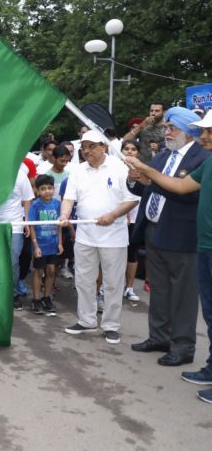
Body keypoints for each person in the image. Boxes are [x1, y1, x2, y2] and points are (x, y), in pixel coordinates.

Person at [126, 110, 212, 404]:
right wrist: (136, 178)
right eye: (166, 127)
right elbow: (150, 186)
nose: (167, 132)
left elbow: (185, 192)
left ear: (187, 131)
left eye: (173, 127)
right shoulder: (163, 156)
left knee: (184, 294)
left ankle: (183, 347)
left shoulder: (201, 157)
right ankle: (159, 337)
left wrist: (150, 175)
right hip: (156, 230)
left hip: (185, 236)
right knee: (160, 289)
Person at [60, 130, 139, 345]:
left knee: (113, 283)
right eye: (84, 147)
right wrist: (64, 215)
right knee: (84, 280)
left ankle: (111, 326)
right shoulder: (78, 170)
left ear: (103, 147)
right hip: (85, 235)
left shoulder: (119, 167)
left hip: (114, 236)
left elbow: (132, 199)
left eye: (92, 146)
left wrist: (112, 215)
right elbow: (68, 198)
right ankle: (86, 321)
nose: (87, 151)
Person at [0, 164, 35, 310]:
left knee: (12, 261)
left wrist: (26, 221)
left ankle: (12, 294)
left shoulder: (20, 175)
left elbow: (28, 200)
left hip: (14, 224)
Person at [28, 174, 63, 316]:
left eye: (49, 188)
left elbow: (59, 225)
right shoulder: (35, 205)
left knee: (51, 271)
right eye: (43, 189)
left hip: (53, 244)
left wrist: (60, 243)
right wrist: (36, 246)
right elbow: (31, 226)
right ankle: (36, 300)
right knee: (38, 272)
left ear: (53, 189)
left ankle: (47, 298)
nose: (47, 191)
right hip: (40, 246)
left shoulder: (57, 204)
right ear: (37, 191)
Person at [120, 140, 143, 303]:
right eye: (126, 149)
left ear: (138, 152)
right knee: (116, 255)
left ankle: (129, 288)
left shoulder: (143, 169)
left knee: (132, 254)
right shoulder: (115, 168)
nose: (130, 151)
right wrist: (124, 214)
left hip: (136, 219)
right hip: (119, 218)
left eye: (133, 149)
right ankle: (106, 288)